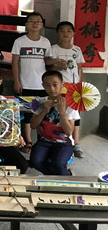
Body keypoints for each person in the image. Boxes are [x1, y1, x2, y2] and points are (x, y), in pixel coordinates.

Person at [11, 12, 62, 152]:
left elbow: (47, 61)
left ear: (42, 24)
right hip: (25, 83)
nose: (35, 23)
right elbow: (15, 63)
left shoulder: (45, 42)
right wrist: (17, 81)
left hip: (42, 85)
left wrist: (57, 61)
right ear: (26, 24)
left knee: (42, 114)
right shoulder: (20, 41)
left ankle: (43, 140)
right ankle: (27, 141)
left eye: (38, 21)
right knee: (27, 115)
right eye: (31, 21)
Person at [30, 70, 79, 176]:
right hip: (44, 141)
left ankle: (65, 181)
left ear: (62, 85)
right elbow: (33, 125)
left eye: (55, 85)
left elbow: (69, 132)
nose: (52, 89)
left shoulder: (70, 104)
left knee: (58, 164)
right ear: (43, 85)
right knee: (35, 162)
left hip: (64, 143)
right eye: (47, 85)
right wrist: (44, 111)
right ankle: (56, 176)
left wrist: (62, 113)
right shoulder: (38, 102)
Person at [49, 21, 85, 158]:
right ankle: (60, 140)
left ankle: (76, 143)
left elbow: (80, 68)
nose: (65, 33)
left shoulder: (77, 50)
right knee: (61, 113)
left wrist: (80, 86)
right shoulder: (53, 49)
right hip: (60, 88)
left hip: (74, 88)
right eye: (62, 30)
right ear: (57, 33)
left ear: (73, 34)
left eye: (69, 31)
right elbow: (48, 68)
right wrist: (57, 67)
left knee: (75, 115)